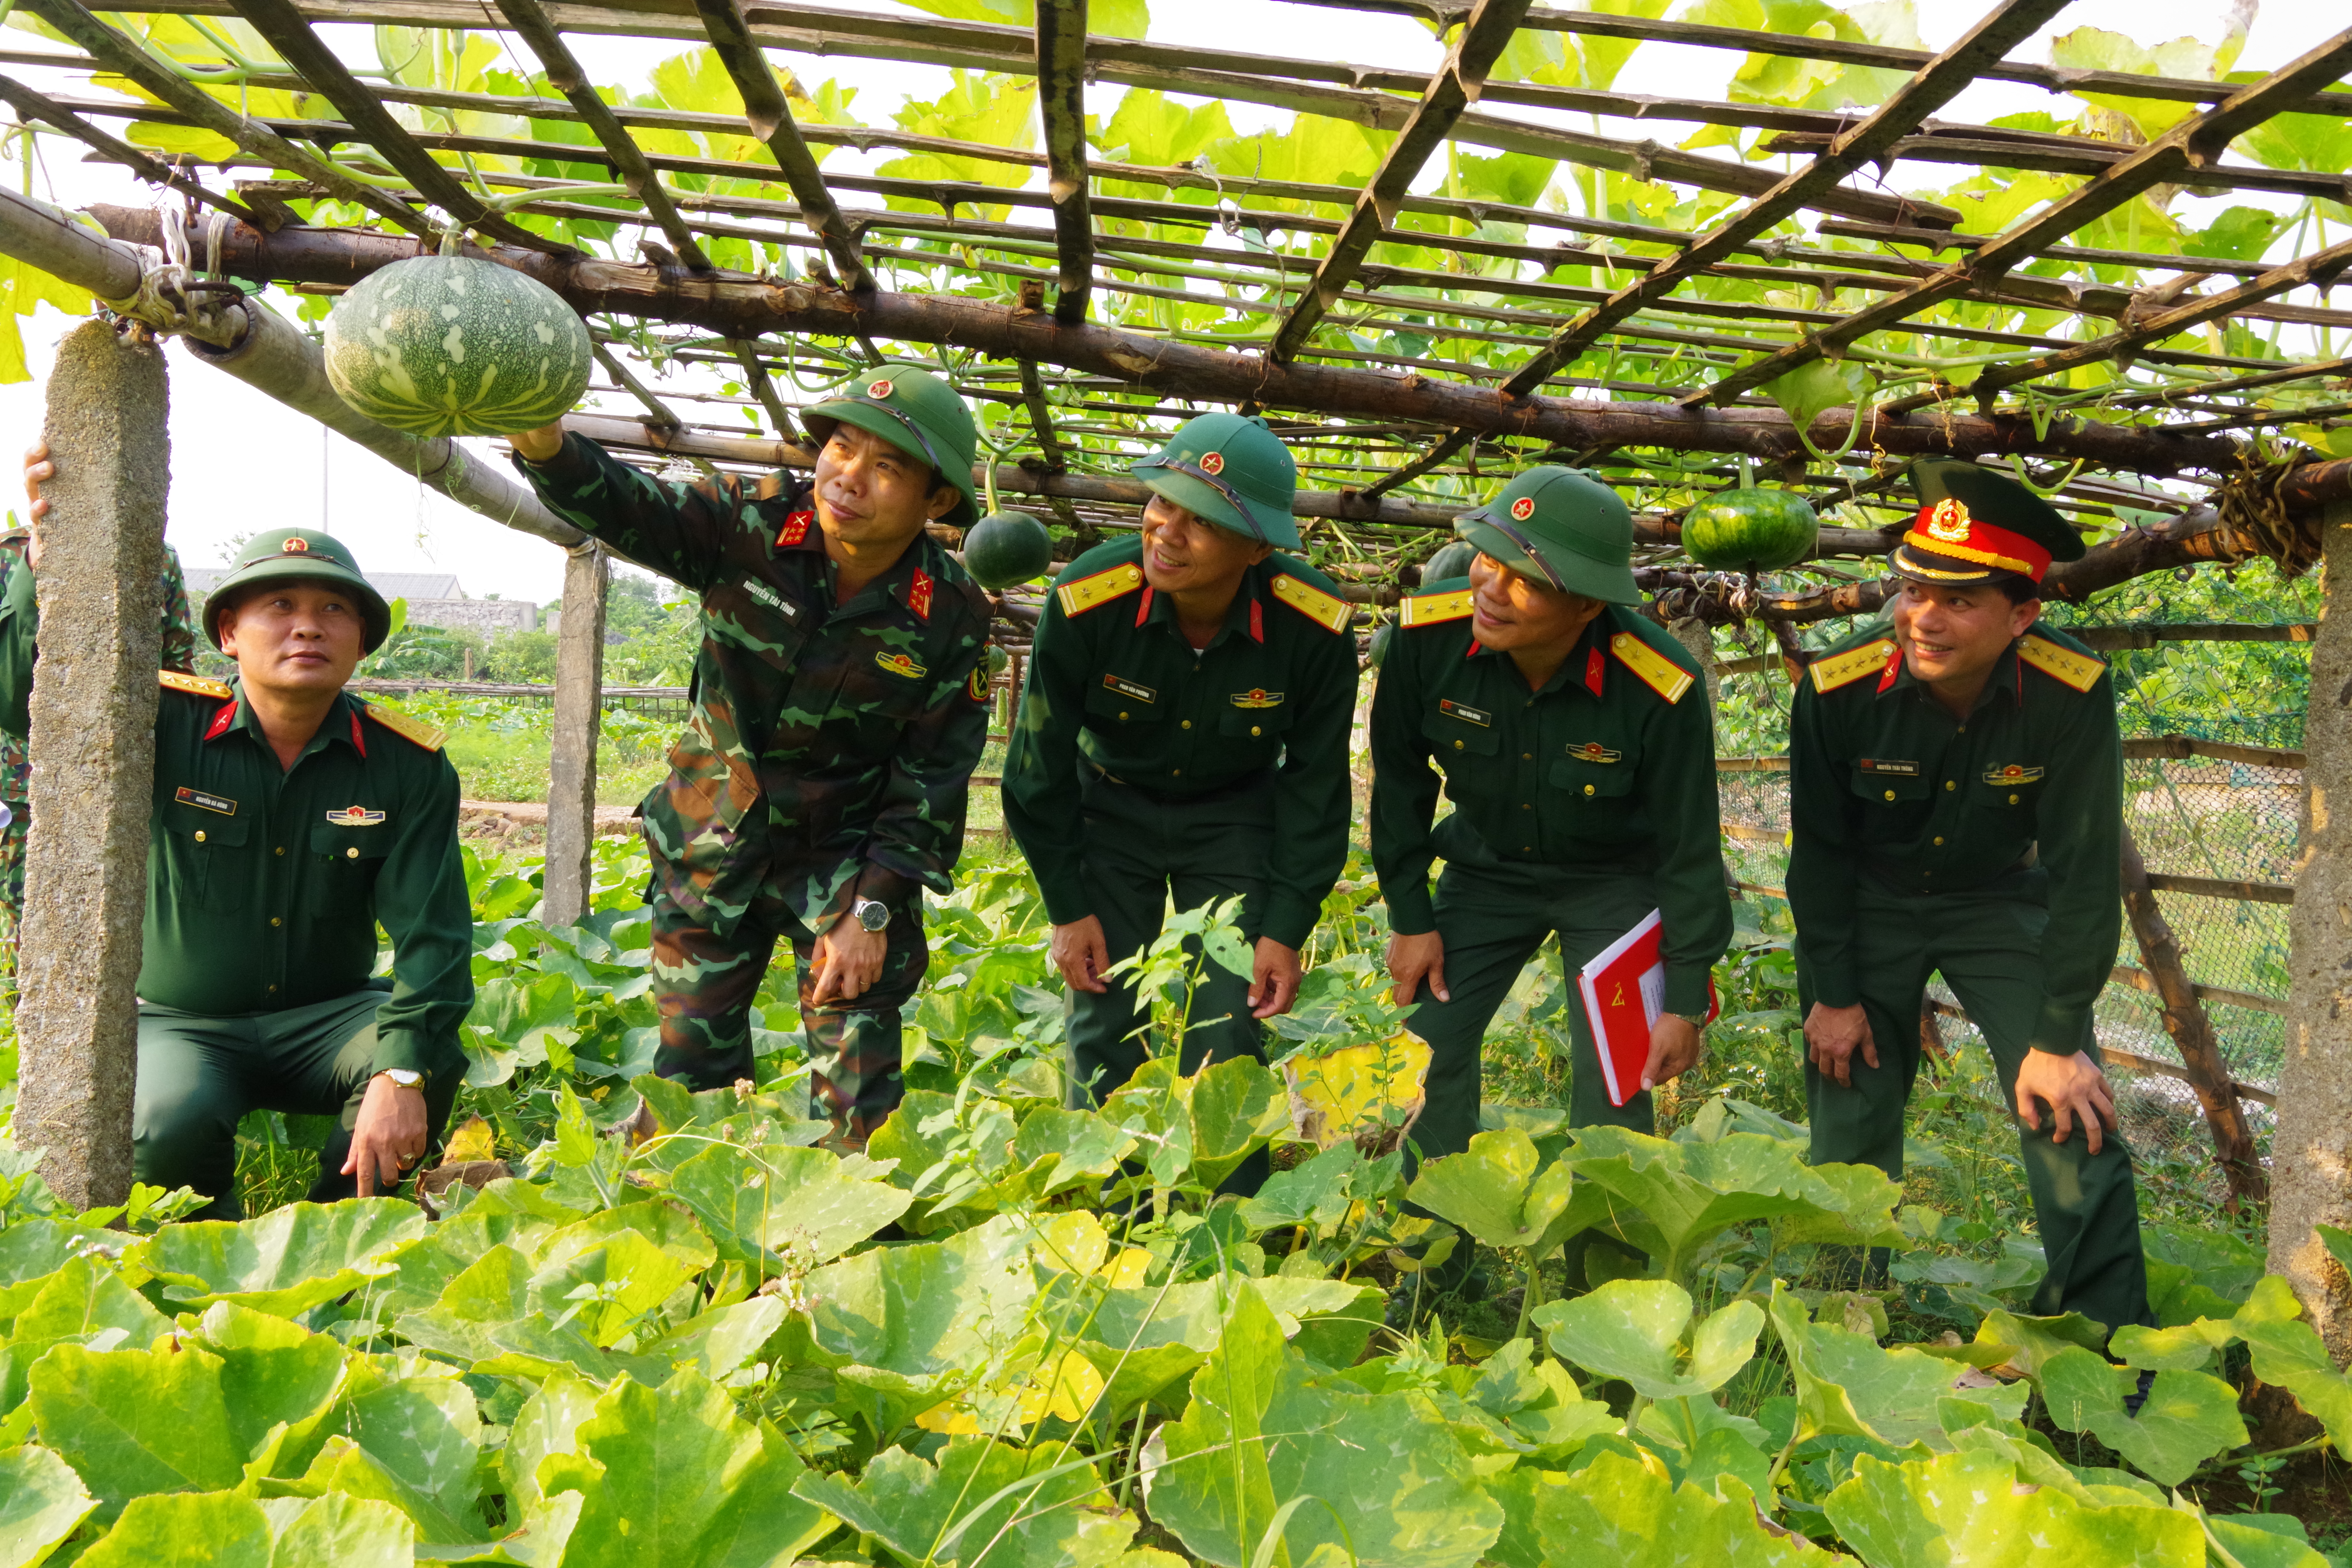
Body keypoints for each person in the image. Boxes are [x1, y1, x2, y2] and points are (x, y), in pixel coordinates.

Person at [509, 364, 992, 1144]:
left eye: (887, 466)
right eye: (842, 446)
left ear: (936, 500)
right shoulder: (750, 523)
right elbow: (624, 502)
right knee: (693, 1080)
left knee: (860, 1089)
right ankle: (696, 1239)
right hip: (714, 832)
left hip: (845, 858)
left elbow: (931, 778)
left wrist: (871, 908)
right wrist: (542, 439)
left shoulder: (952, 615)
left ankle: (843, 1241)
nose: (849, 476)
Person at [0, 487, 472, 1220]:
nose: (307, 628)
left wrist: (402, 1071)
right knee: (165, 1124)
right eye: (279, 606)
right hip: (182, 1022)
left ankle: (336, 1235)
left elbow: (434, 938)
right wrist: (44, 556)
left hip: (330, 1017)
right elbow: (29, 696)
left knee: (425, 1058)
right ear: (228, 632)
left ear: (362, 640)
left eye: (334, 611)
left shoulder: (407, 765)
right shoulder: (164, 721)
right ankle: (207, 1263)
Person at [1788, 457, 2149, 1336]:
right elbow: (1822, 854)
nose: (1924, 617)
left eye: (1958, 599)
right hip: (1870, 899)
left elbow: (2084, 865)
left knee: (2069, 1103)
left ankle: (2105, 1339)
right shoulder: (1837, 690)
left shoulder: (2070, 694)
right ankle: (1838, 1315)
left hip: (1997, 900)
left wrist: (2060, 1032)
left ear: (2023, 614)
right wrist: (1833, 991)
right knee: (1852, 1095)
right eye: (1914, 589)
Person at [1001, 412, 1356, 1170]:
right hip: (1108, 808)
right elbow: (1038, 762)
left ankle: (1225, 1212)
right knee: (1102, 1012)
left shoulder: (1313, 627)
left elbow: (1318, 785)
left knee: (1230, 1026)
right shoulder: (1087, 597)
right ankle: (1103, 1200)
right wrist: (1068, 907)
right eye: (1162, 503)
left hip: (1235, 817)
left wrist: (1286, 926)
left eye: (1203, 523)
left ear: (1259, 549)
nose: (1166, 531)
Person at [1370, 466, 1733, 1163]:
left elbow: (1688, 846)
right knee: (1424, 1051)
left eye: (1527, 581)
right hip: (1485, 870)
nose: (1490, 589)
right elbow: (1400, 784)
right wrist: (1410, 917)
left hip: (1614, 885)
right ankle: (1432, 1263)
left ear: (1589, 607)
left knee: (1616, 1086)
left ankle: (1606, 1267)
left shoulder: (1657, 686)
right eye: (1487, 559)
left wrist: (1684, 1001)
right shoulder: (1427, 638)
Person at [0, 452, 199, 973]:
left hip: (115, 778)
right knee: (27, 934)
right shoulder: (7, 560)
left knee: (108, 931)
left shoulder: (155, 560)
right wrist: (37, 570)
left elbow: (177, 672)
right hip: (16, 787)